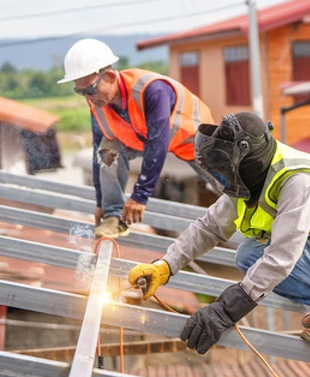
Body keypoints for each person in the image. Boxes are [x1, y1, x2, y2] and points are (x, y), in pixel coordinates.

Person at [128, 111, 310, 354]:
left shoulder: (299, 182)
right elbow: (210, 226)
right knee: (248, 256)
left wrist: (225, 310)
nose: (223, 179)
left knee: (253, 256)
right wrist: (165, 265)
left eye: (225, 171)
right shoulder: (249, 178)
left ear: (246, 157)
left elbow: (281, 258)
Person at [58, 38, 217, 238]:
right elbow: (98, 150)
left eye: (90, 89)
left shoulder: (152, 90)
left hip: (193, 136)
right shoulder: (98, 104)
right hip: (140, 138)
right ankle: (114, 217)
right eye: (80, 91)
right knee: (108, 149)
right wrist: (102, 203)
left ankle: (257, 220)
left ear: (109, 76)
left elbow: (157, 143)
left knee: (229, 186)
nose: (88, 97)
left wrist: (140, 196)